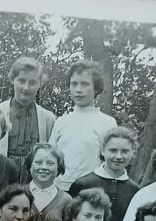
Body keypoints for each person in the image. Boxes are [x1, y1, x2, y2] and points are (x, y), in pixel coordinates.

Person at [48, 59, 118, 191]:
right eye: (74, 84)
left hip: (91, 190)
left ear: (96, 88)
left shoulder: (107, 122)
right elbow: (50, 155)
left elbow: (110, 161)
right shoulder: (61, 121)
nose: (78, 90)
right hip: (60, 189)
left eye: (85, 84)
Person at [68, 126, 140, 221]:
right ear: (102, 151)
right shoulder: (83, 184)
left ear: (132, 153)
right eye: (113, 150)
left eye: (124, 151)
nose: (119, 156)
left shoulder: (135, 190)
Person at [0, 56, 57, 180]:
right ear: (13, 80)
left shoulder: (48, 119)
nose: (26, 88)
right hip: (2, 177)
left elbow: (52, 155)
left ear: (40, 84)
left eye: (32, 83)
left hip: (35, 179)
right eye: (21, 81)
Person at [20, 142, 73, 221]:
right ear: (30, 166)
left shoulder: (66, 200)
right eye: (38, 162)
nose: (44, 167)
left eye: (50, 163)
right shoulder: (17, 194)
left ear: (59, 168)